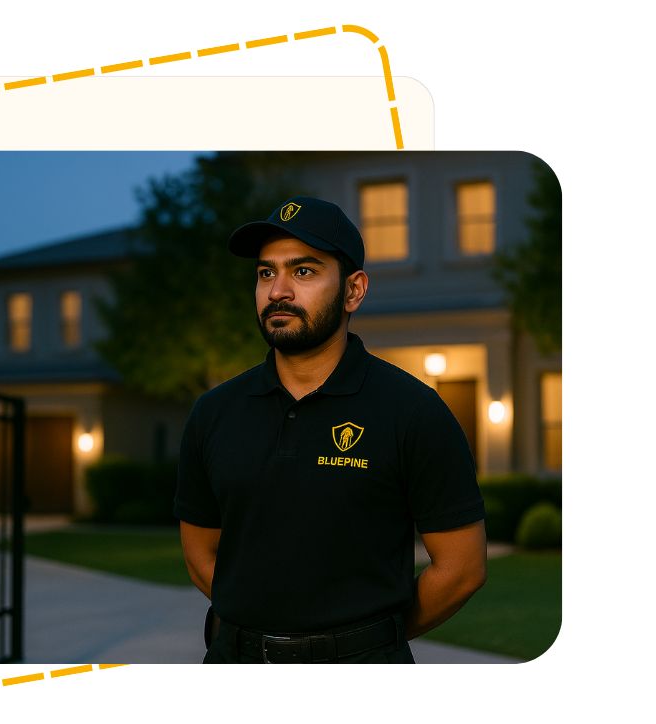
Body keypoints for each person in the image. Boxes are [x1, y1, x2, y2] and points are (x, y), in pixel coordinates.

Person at [174, 196, 488, 664]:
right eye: (266, 273)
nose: (277, 291)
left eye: (303, 271)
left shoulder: (413, 411)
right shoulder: (214, 412)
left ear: (353, 290)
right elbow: (200, 555)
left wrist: (367, 638)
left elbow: (462, 569)